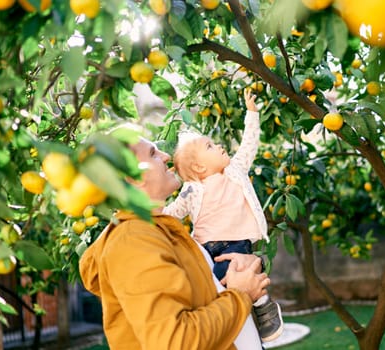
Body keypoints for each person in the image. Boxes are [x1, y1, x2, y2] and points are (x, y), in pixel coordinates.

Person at [79, 135, 269, 349]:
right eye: (153, 154)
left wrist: (245, 264)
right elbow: (175, 342)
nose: (166, 156)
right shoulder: (132, 241)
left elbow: (209, 292)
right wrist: (241, 296)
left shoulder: (159, 231)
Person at [163, 89, 284, 342]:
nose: (218, 145)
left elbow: (249, 146)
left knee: (245, 273)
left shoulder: (235, 171)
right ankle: (225, 329)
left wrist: (252, 114)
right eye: (210, 146)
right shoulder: (192, 190)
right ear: (199, 166)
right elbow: (170, 215)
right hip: (207, 249)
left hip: (239, 243)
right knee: (216, 288)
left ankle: (264, 310)